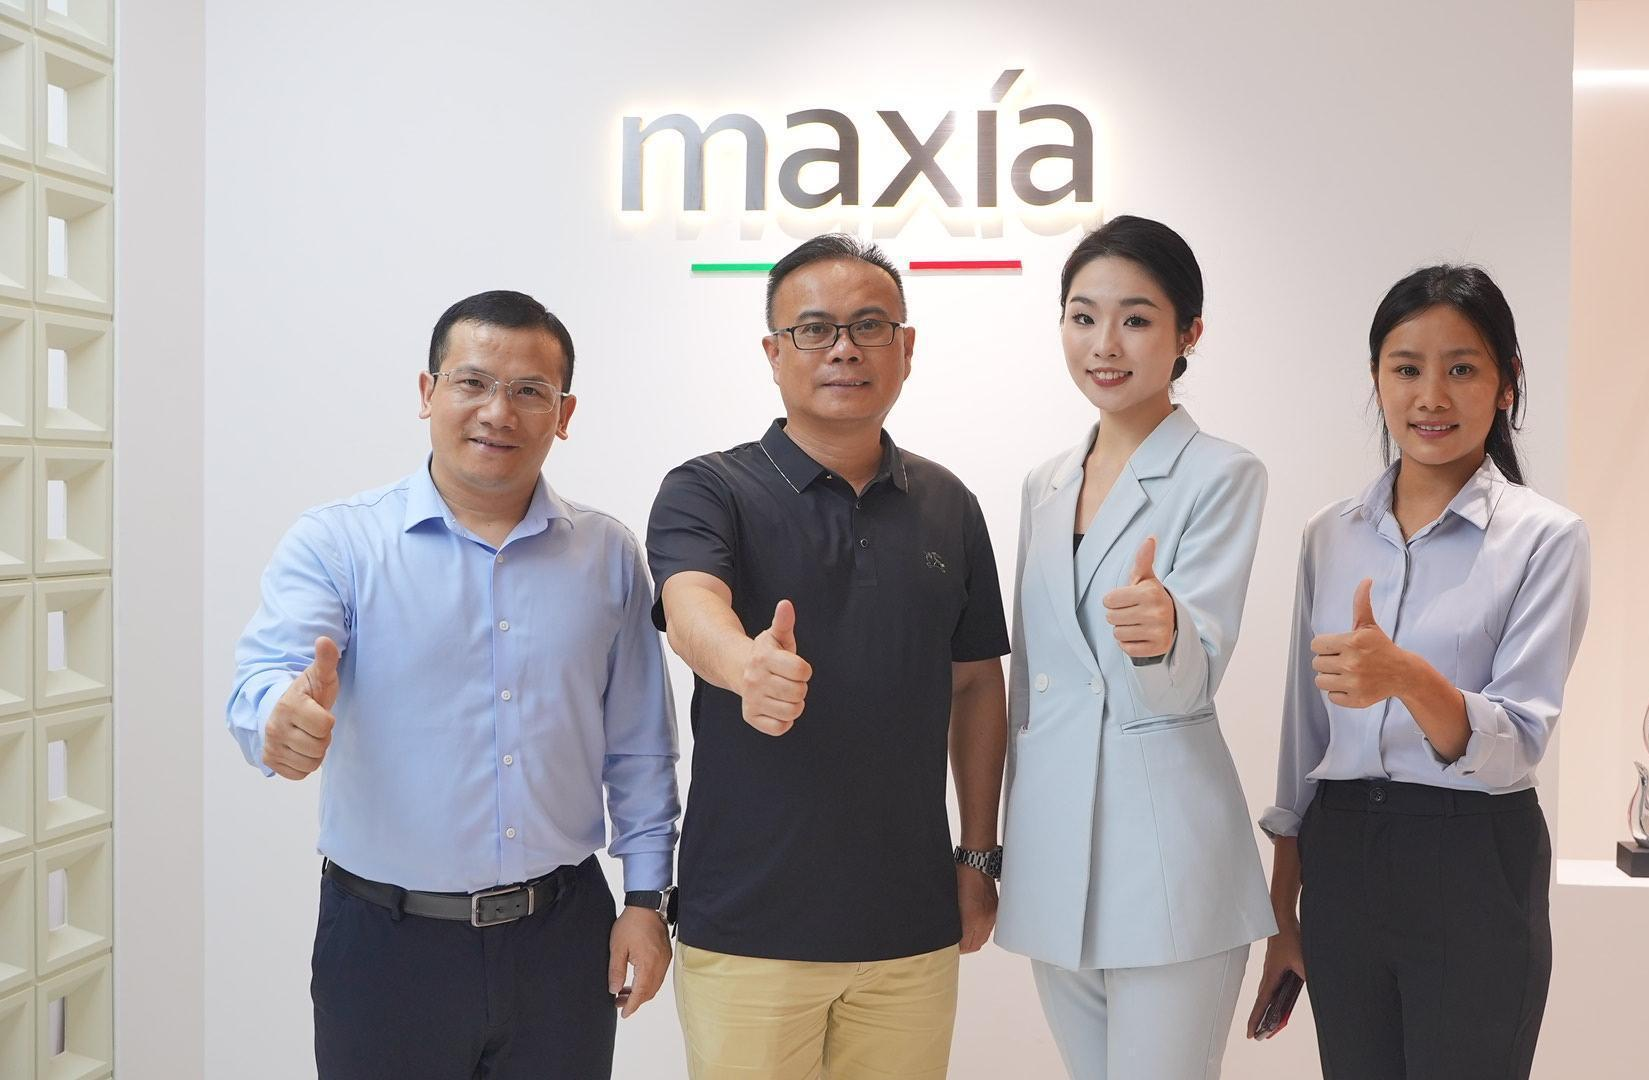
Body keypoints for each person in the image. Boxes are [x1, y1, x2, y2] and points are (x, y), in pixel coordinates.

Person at [225, 290, 680, 1079]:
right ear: (427, 392)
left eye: (529, 390)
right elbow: (265, 678)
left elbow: (640, 748)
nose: (498, 412)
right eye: (472, 382)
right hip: (386, 944)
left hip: (562, 938)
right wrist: (277, 720)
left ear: (564, 414)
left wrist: (646, 901)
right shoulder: (340, 542)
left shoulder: (608, 555)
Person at [646, 234, 1010, 1080]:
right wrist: (744, 666)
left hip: (910, 929)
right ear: (773, 353)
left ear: (906, 348)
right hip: (749, 927)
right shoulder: (709, 487)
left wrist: (978, 855)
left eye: (869, 326)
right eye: (813, 329)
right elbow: (689, 605)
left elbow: (974, 685)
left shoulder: (949, 503)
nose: (843, 348)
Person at [1251, 265, 1591, 1079]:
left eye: (1462, 368)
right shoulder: (1329, 534)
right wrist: (1283, 912)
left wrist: (1407, 676)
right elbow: (1304, 738)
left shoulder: (1545, 539)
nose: (1431, 396)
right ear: (1377, 380)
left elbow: (1516, 744)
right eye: (1406, 368)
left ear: (1507, 383)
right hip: (1342, 863)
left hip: (1472, 858)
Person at [994, 215, 1276, 1080]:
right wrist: (1005, 846)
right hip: (1055, 857)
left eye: (1137, 319)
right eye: (1083, 317)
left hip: (1167, 863)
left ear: (1189, 333)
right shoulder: (1044, 485)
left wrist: (1166, 637)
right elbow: (1030, 688)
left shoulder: (1222, 473)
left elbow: (1193, 679)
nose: (1104, 344)